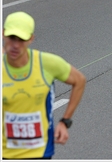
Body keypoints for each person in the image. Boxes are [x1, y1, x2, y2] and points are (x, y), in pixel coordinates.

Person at [2, 11, 86, 159]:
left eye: (21, 39)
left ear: (31, 39)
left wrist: (65, 122)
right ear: (3, 34)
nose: (15, 45)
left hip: (39, 152)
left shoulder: (46, 63)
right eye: (11, 38)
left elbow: (79, 81)